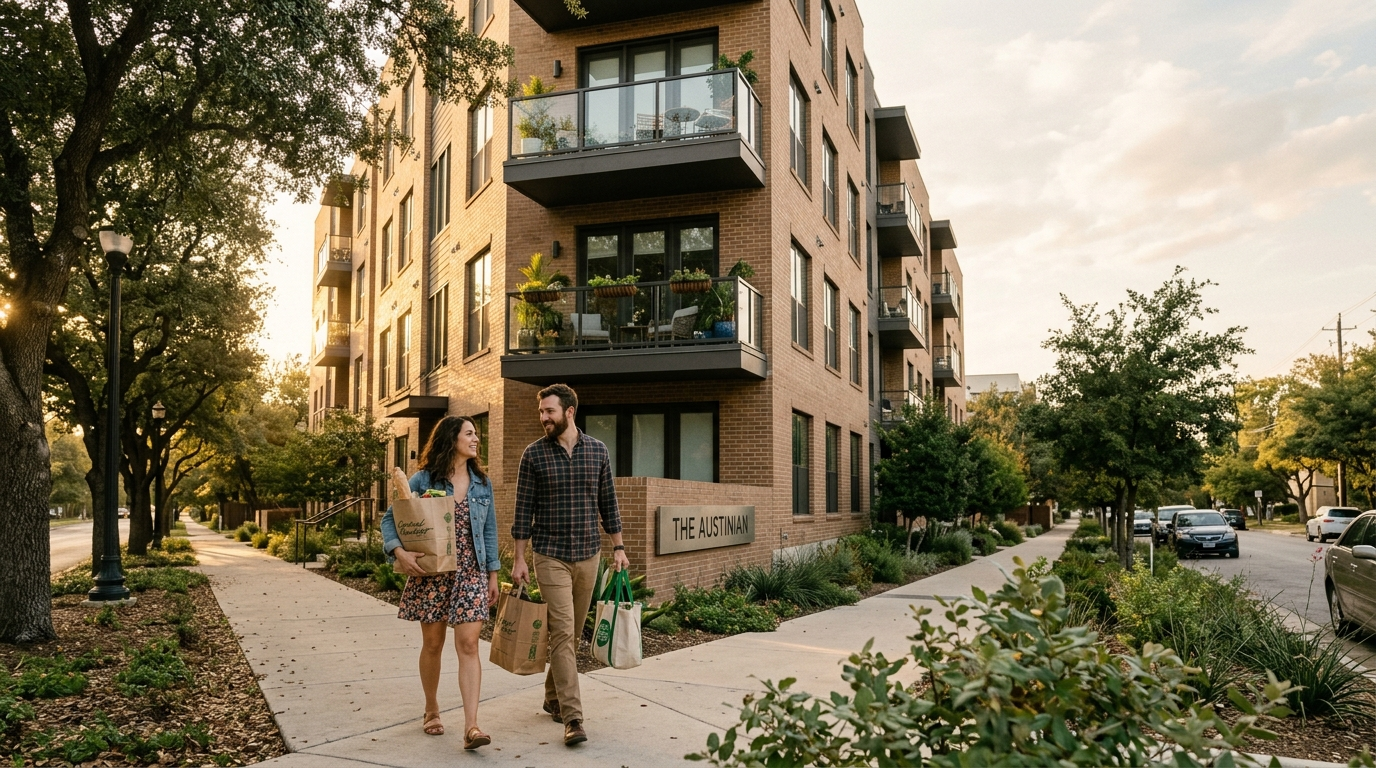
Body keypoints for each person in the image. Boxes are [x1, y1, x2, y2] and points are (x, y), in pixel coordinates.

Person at [511, 383, 627, 747]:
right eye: (541, 412)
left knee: (572, 634)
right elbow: (522, 511)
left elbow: (608, 501)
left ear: (570, 412)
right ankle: (573, 717)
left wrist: (618, 547)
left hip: (589, 554)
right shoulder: (533, 455)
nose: (544, 418)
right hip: (550, 554)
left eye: (550, 412)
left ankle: (551, 696)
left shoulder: (597, 451)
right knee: (562, 632)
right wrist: (518, 558)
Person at [380, 415, 499, 751]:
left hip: (471, 572)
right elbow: (391, 519)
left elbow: (489, 530)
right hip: (432, 573)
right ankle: (431, 709)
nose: (476, 439)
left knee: (469, 645)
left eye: (477, 434)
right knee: (433, 644)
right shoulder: (422, 479)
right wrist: (399, 552)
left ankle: (472, 725)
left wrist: (493, 574)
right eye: (470, 434)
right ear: (452, 439)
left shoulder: (481, 483)